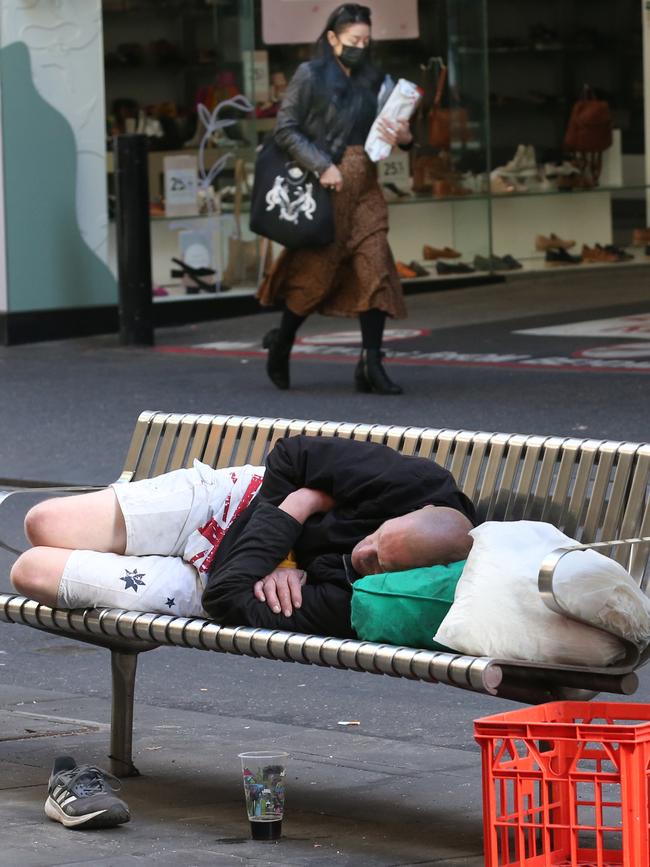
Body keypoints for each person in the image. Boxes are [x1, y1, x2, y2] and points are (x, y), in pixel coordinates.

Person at [10, 436, 476, 639]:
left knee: (30, 571)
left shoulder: (376, 598)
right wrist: (285, 554)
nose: (362, 552)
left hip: (221, 577)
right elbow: (293, 455)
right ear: (412, 513)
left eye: (374, 565)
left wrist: (302, 505)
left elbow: (227, 598)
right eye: (376, 536)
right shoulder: (413, 484)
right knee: (43, 524)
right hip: (229, 503)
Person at [257, 4, 413, 395]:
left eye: (365, 40)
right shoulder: (310, 76)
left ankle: (371, 362)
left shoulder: (377, 80)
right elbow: (285, 129)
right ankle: (283, 342)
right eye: (352, 41)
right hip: (326, 188)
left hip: (366, 188)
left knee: (375, 264)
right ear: (332, 39)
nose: (360, 47)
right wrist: (322, 165)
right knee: (314, 275)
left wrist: (405, 136)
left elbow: (401, 133)